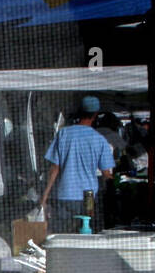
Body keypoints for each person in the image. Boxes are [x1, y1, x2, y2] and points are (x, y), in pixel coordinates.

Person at [37, 95, 115, 234]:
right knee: (86, 232)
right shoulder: (99, 139)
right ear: (96, 115)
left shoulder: (63, 134)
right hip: (89, 196)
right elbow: (106, 174)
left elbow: (54, 168)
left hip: (65, 194)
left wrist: (45, 196)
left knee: (64, 235)